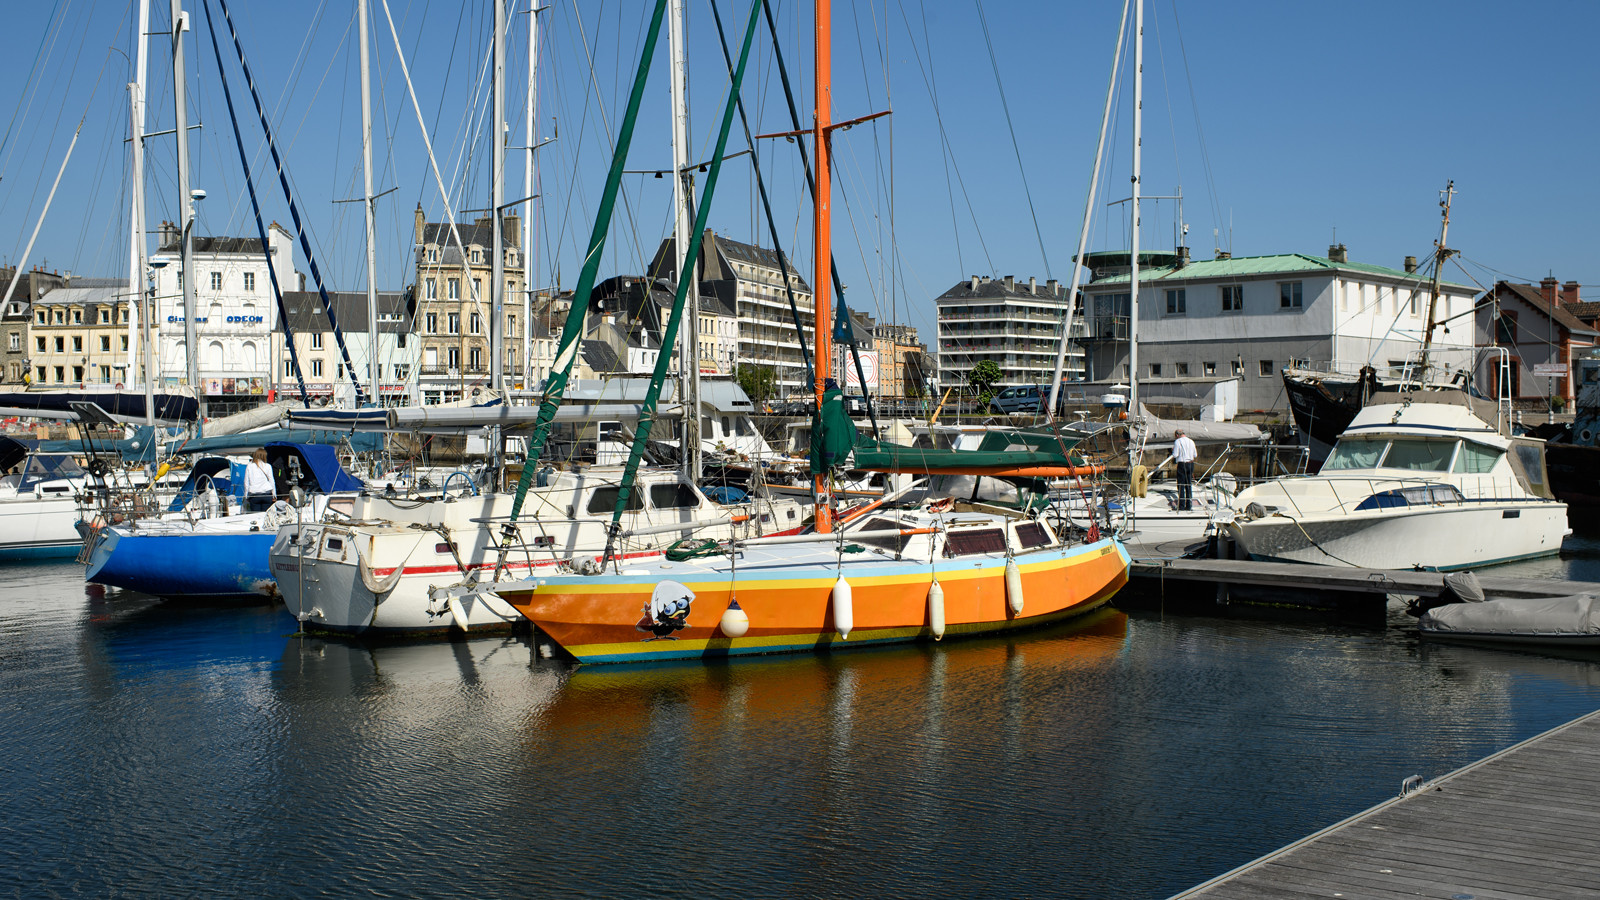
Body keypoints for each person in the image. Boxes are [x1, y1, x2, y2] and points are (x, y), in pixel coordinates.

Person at [1160, 428, 1199, 511]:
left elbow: (1175, 454)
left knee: (1181, 485)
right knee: (1188, 485)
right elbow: (1195, 455)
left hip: (1182, 464)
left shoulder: (1178, 441)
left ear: (1177, 435)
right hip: (1191, 464)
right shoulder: (1191, 441)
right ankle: (1189, 505)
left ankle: (1181, 506)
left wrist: (1172, 451)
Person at [244, 448, 276, 513]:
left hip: (254, 494)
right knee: (266, 515)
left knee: (256, 515)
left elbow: (246, 482)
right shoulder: (268, 466)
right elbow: (272, 481)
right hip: (267, 494)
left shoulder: (249, 466)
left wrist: (246, 496)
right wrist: (274, 495)